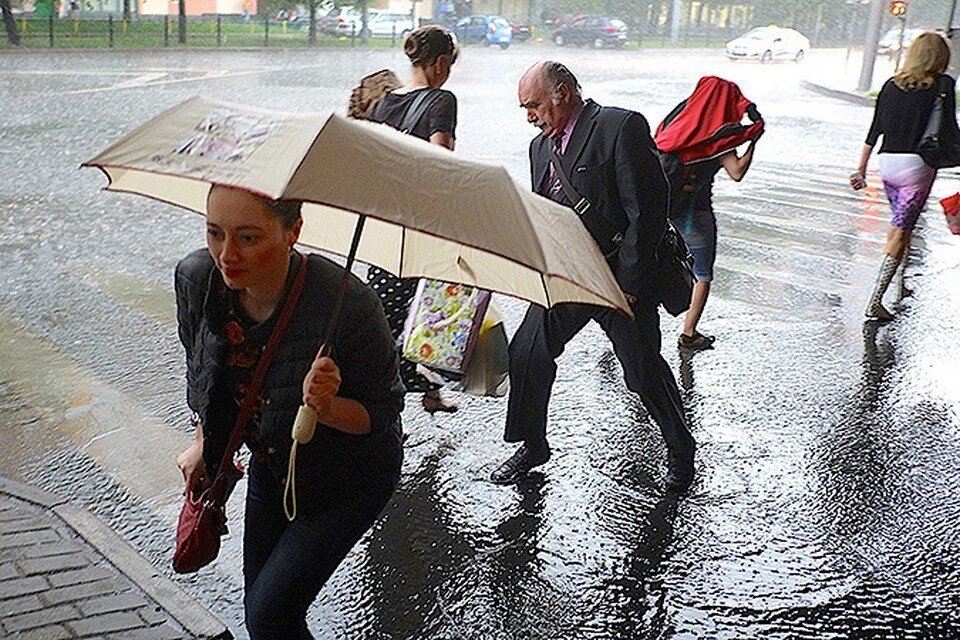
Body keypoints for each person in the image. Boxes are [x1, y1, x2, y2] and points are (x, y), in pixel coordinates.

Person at [175, 185, 404, 639]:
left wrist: (326, 406)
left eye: (247, 238)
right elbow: (204, 369)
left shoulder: (347, 303)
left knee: (269, 616)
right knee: (262, 609)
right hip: (273, 462)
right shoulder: (198, 280)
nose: (226, 255)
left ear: (293, 231)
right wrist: (204, 440)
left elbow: (382, 412)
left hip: (348, 478)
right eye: (215, 232)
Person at [490, 61, 696, 492]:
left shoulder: (619, 127)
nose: (529, 116)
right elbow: (545, 213)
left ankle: (680, 449)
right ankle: (533, 445)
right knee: (527, 352)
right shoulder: (540, 148)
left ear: (562, 94)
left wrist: (631, 283)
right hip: (569, 275)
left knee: (642, 370)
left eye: (533, 105)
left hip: (618, 277)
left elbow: (648, 210)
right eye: (525, 108)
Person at [366, 25, 461, 414]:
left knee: (387, 312)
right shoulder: (442, 100)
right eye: (449, 65)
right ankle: (395, 405)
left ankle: (412, 396)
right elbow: (440, 161)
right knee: (430, 309)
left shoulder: (383, 103)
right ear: (439, 63)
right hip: (421, 219)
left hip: (385, 218)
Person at [850, 31, 954, 321]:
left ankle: (900, 284)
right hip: (917, 167)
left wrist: (860, 168)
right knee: (900, 230)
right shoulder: (942, 85)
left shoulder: (891, 85)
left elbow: (875, 130)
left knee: (902, 225)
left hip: (888, 164)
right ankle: (875, 300)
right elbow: (948, 127)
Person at [672, 138, 759, 351]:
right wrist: (752, 143)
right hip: (697, 214)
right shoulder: (721, 140)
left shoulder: (679, 131)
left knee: (659, 262)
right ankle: (689, 333)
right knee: (702, 275)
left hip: (668, 210)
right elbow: (736, 172)